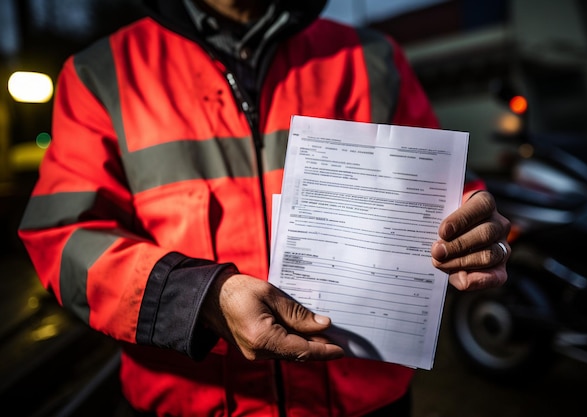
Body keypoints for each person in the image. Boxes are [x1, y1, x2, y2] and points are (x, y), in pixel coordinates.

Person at [18, 0, 511, 416]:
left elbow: (440, 191)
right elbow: (62, 238)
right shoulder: (101, 73)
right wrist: (199, 300)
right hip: (187, 406)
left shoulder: (370, 58)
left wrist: (471, 221)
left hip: (364, 403)